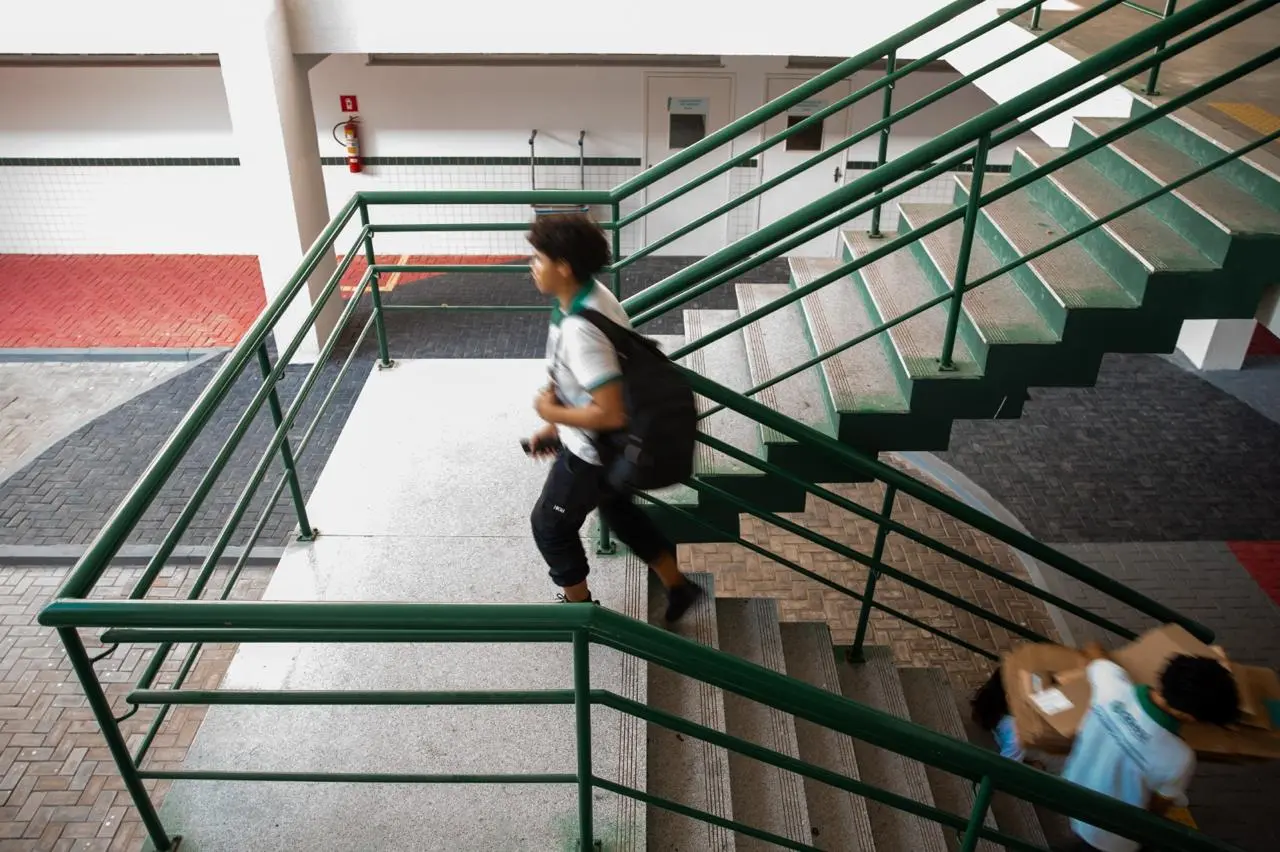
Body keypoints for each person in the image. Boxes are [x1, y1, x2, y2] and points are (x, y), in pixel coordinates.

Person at [524, 212, 703, 621]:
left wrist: (548, 411)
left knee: (549, 526)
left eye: (538, 258)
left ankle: (580, 612)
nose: (532, 266)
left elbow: (610, 412)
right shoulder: (589, 296)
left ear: (563, 267)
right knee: (618, 509)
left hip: (590, 452)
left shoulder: (579, 329)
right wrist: (555, 424)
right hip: (602, 446)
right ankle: (677, 586)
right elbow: (579, 379)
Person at [1057, 642, 1241, 852]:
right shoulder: (1178, 758)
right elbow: (1154, 812)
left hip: (1071, 791)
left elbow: (1092, 648)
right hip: (1111, 838)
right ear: (1186, 716)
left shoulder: (1111, 685)